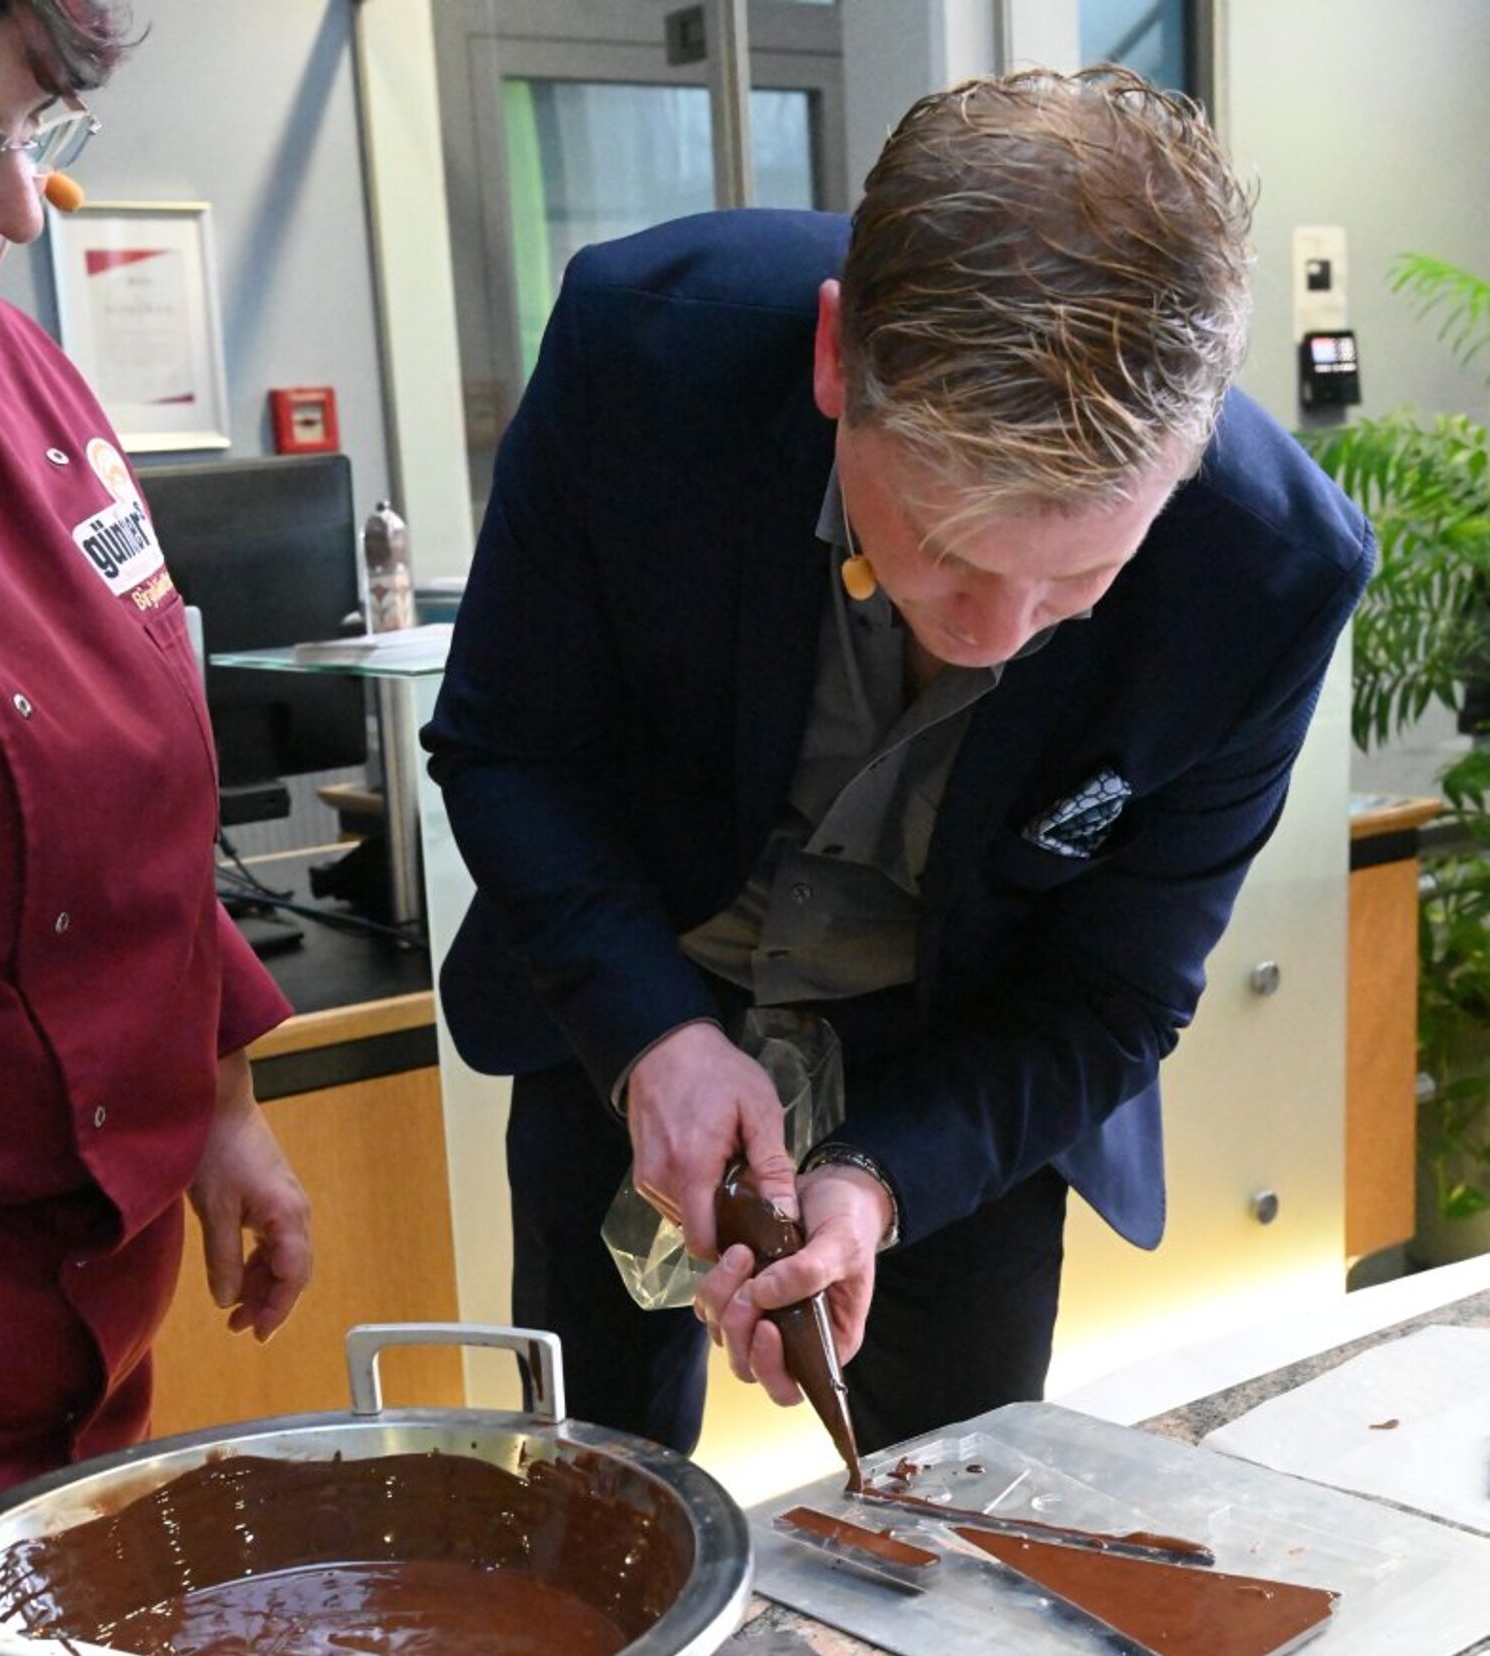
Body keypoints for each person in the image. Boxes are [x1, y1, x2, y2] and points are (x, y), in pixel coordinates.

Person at [425, 68, 1373, 1459]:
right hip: (623, 975)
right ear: (835, 360)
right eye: (942, 551)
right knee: (591, 1492)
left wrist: (876, 1180)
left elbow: (1110, 995)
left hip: (958, 1061)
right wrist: (650, 1041)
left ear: (1181, 467)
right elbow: (510, 744)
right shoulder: (648, 354)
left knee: (960, 1508)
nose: (995, 639)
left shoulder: (1268, 576)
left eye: (1075, 583)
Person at [0, 0, 311, 1503]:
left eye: (31, 130)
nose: (15, 204)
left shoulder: (24, 376)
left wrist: (220, 1107)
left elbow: (136, 813)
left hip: (92, 1321)